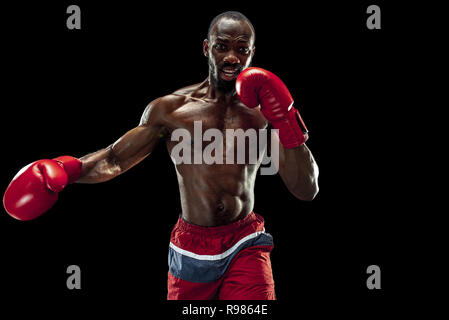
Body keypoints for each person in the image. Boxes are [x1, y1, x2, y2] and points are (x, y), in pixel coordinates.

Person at [3, 11, 319, 300]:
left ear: (252, 52)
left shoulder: (265, 111)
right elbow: (115, 159)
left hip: (245, 242)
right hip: (191, 246)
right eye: (223, 46)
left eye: (242, 48)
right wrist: (67, 170)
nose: (232, 57)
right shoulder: (171, 110)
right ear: (207, 48)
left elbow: (306, 189)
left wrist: (286, 120)